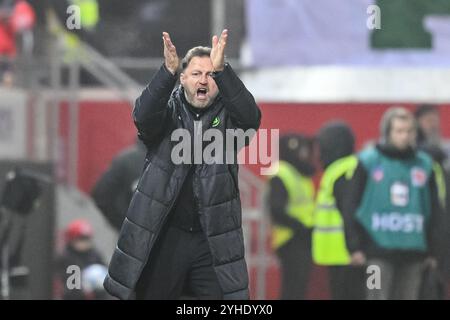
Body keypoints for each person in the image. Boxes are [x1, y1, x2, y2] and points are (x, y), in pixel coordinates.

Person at [103, 29, 261, 300]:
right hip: (167, 238)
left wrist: (224, 71)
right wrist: (167, 71)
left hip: (211, 239)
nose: (204, 80)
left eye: (211, 75)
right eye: (197, 74)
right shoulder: (167, 114)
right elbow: (142, 116)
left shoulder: (228, 119)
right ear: (183, 79)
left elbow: (250, 118)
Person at [344, 107, 444, 300]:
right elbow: (351, 205)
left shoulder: (424, 164)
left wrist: (434, 249)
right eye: (399, 131)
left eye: (409, 131)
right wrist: (354, 245)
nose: (404, 136)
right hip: (376, 251)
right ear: (387, 132)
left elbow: (434, 210)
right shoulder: (368, 161)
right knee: (375, 296)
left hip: (414, 252)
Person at [312, 121, 365, 300]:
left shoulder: (344, 170)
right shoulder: (339, 169)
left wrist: (354, 247)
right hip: (340, 254)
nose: (319, 152)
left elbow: (348, 211)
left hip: (348, 255)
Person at [266, 133, 315, 299]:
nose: (305, 154)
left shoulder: (299, 173)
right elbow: (276, 209)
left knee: (298, 286)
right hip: (290, 238)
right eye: (301, 150)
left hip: (303, 237)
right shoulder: (282, 172)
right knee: (293, 287)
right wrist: (300, 226)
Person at [91, 139, 147, 231]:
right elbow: (101, 194)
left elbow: (100, 194)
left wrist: (124, 224)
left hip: (133, 235)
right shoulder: (128, 161)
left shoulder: (126, 159)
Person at [55, 219, 104, 300]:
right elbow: (70, 287)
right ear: (72, 239)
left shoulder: (95, 254)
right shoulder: (67, 257)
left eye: (87, 239)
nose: (85, 243)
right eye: (81, 239)